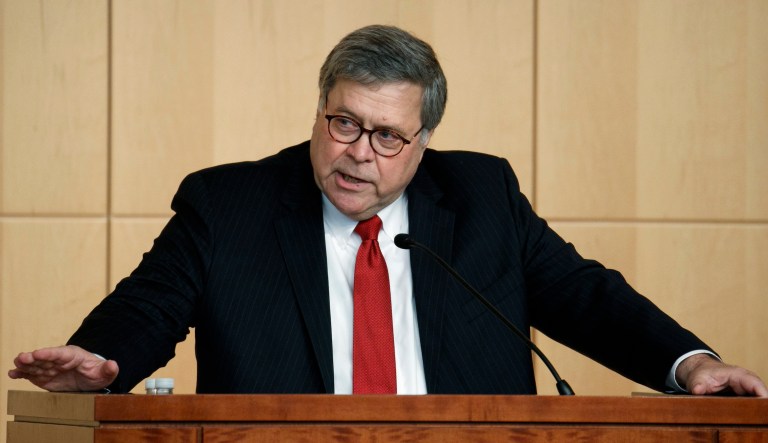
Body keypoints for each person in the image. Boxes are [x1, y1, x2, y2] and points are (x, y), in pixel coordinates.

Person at [9, 25, 767, 397]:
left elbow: (588, 297)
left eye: (387, 135)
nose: (357, 152)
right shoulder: (229, 205)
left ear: (425, 139)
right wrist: (100, 361)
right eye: (343, 122)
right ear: (319, 109)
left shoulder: (482, 200)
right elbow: (149, 305)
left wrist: (692, 364)